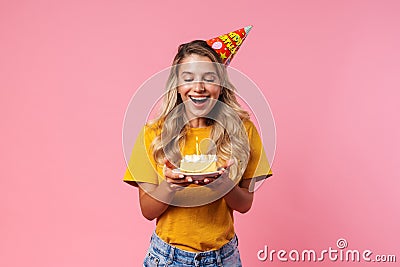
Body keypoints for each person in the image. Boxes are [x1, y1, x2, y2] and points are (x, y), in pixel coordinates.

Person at [123, 29, 272, 266]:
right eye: (188, 77)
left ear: (221, 85)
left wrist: (224, 186)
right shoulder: (153, 134)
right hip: (167, 258)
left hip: (224, 257)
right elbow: (148, 211)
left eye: (209, 78)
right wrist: (170, 186)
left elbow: (245, 205)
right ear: (177, 85)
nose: (199, 87)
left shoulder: (244, 131)